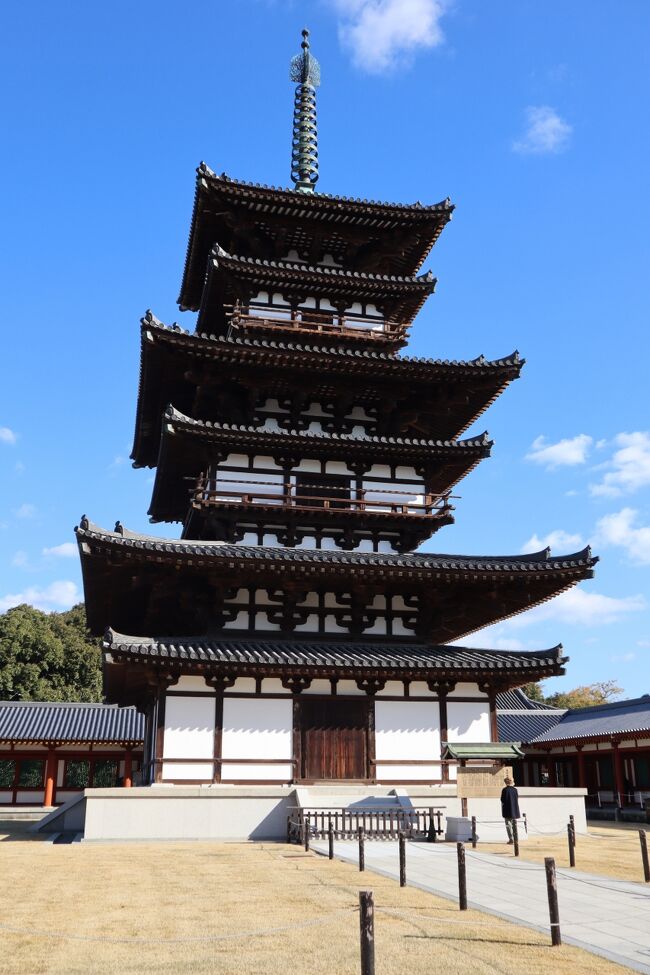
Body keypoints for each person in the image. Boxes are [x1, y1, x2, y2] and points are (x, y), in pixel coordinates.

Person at [500, 776, 520, 844]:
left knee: (508, 825)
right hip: (514, 809)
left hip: (507, 810)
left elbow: (502, 800)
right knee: (514, 825)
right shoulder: (515, 790)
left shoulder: (504, 790)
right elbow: (517, 798)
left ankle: (511, 838)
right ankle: (516, 838)